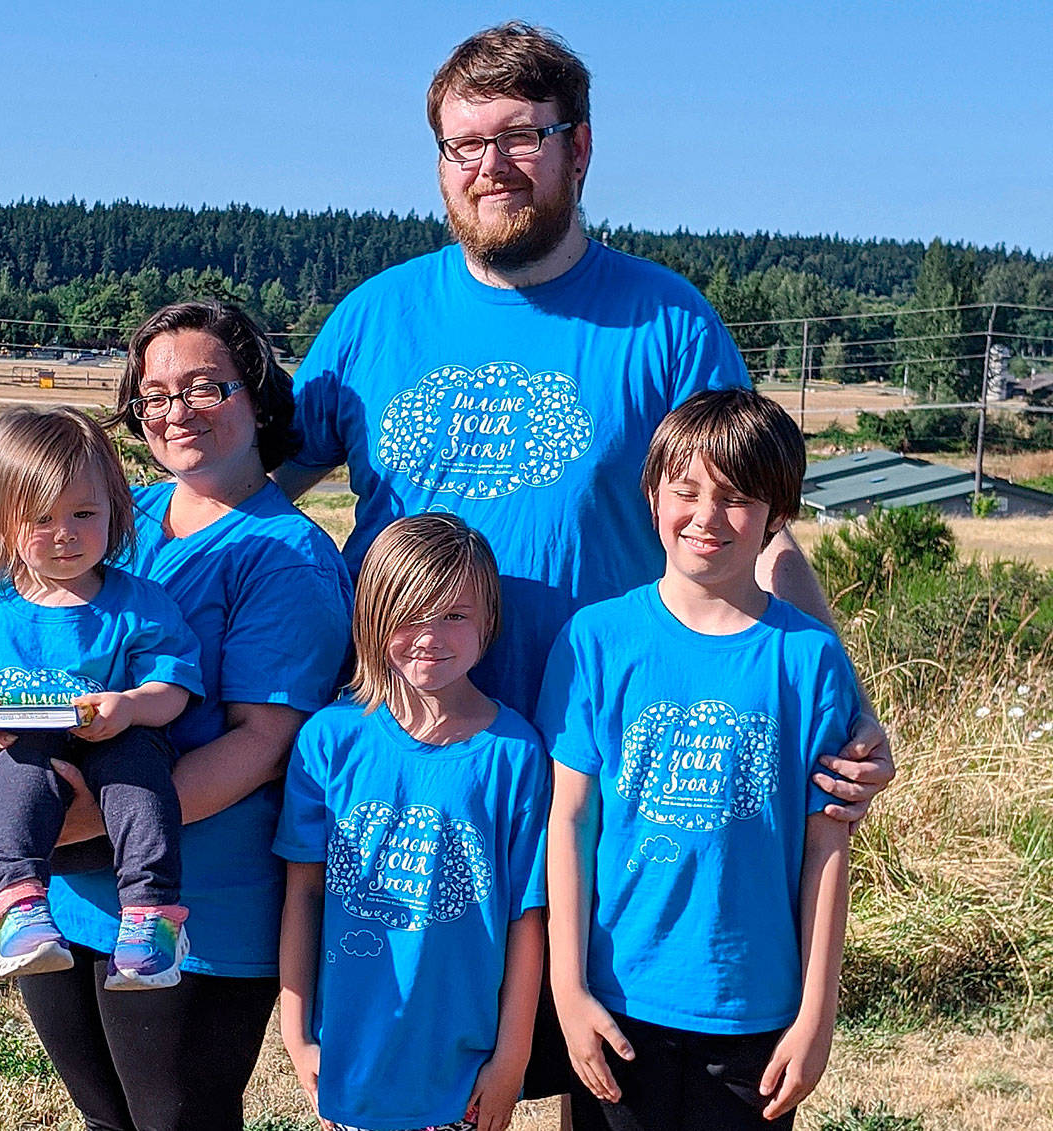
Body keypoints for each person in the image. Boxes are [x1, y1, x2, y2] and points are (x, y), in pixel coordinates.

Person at [275, 20, 892, 809]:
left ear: (581, 149)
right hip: (399, 760)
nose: (489, 168)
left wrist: (848, 706)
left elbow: (753, 531)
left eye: (521, 136)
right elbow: (251, 498)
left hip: (607, 757)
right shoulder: (373, 320)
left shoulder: (667, 323)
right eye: (463, 145)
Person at [0, 301, 353, 1131]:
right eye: (156, 393)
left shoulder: (286, 556)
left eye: (207, 386)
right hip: (54, 898)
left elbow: (263, 743)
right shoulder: (105, 512)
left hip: (194, 902)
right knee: (105, 1121)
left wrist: (79, 822)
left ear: (259, 396)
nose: (179, 411)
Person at [540, 389, 854, 1130]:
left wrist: (816, 1016)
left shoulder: (808, 658)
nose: (707, 516)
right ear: (653, 496)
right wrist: (568, 989)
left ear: (779, 515)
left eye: (738, 497)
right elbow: (570, 821)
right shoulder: (596, 639)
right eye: (686, 491)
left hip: (754, 1012)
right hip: (617, 1002)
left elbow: (827, 848)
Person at [0, 405, 206, 989]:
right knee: (17, 771)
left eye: (84, 513)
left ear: (117, 512)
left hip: (113, 742)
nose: (64, 533)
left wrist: (131, 707)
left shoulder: (139, 601)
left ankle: (151, 916)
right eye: (40, 518)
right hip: (21, 744)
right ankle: (18, 906)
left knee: (141, 775)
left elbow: (174, 686)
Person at [276, 513, 549, 1131]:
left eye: (454, 614)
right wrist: (297, 1036)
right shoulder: (329, 740)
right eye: (409, 612)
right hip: (351, 1065)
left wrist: (512, 1057)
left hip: (460, 1075)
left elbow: (528, 920)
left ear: (488, 623)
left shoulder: (516, 753)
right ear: (372, 616)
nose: (430, 635)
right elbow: (303, 893)